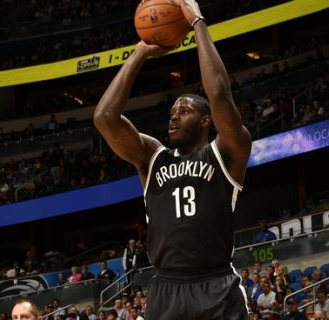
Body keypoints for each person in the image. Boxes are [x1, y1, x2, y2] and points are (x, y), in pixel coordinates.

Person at [93, 0, 251, 318]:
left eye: (184, 111)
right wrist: (139, 52)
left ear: (206, 120)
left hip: (215, 287)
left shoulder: (227, 152)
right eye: (171, 113)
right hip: (165, 288)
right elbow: (105, 117)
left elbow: (219, 94)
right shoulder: (153, 157)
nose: (174, 118)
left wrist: (198, 24)